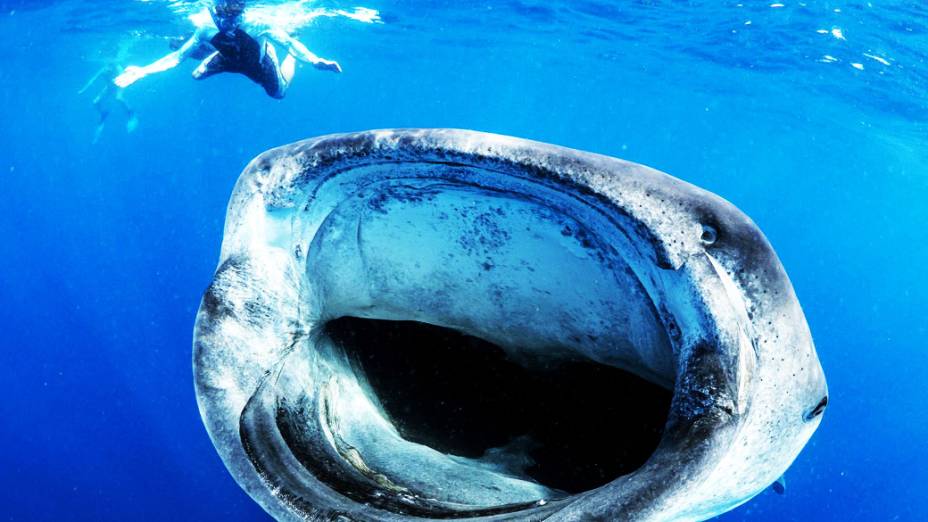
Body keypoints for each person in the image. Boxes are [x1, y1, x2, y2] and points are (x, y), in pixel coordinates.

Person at [114, 0, 341, 99]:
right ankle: (216, 54)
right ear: (214, 10)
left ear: (243, 11)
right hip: (228, 60)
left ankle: (287, 60)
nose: (229, 21)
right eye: (223, 14)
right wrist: (143, 71)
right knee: (196, 76)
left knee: (279, 94)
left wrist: (314, 60)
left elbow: (290, 43)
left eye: (235, 15)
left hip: (258, 64)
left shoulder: (259, 24)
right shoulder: (204, 28)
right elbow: (177, 57)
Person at [79, 63, 139, 144]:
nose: (108, 69)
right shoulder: (103, 70)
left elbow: (124, 77)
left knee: (118, 98)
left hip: (120, 84)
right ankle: (103, 113)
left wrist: (122, 83)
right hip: (110, 87)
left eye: (109, 67)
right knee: (95, 102)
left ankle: (131, 114)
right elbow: (92, 80)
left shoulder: (118, 67)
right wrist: (83, 89)